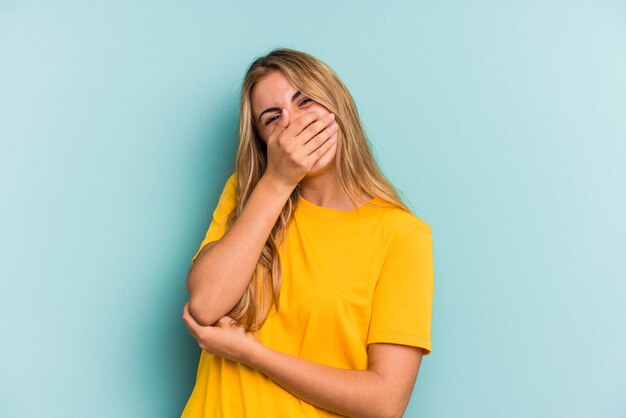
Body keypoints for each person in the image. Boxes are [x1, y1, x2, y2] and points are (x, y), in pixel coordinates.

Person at [181, 48, 434, 418]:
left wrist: (252, 354)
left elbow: (384, 402)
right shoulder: (247, 195)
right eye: (273, 118)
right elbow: (205, 304)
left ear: (336, 104)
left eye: (304, 101)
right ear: (264, 142)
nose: (294, 122)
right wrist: (279, 181)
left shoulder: (402, 235)